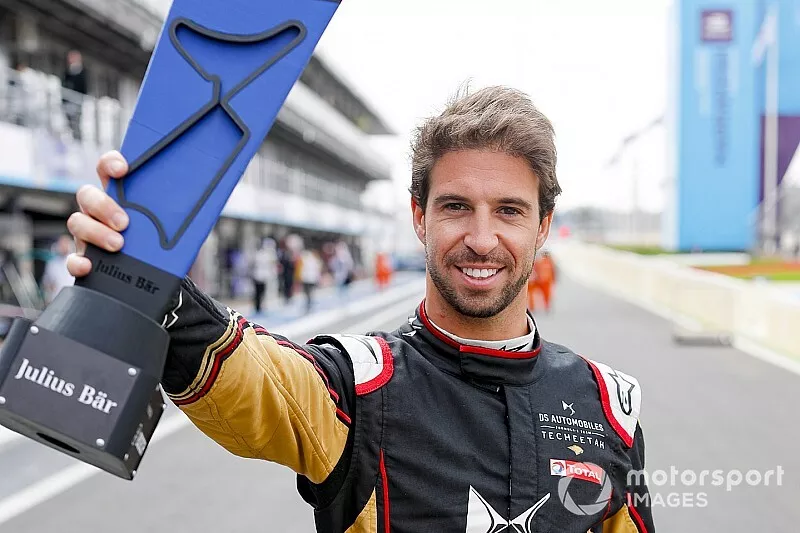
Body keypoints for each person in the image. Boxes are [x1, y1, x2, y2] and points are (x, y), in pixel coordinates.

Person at [65, 86, 654, 532]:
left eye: (508, 210)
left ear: (543, 226)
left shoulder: (609, 405)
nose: (480, 238)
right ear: (419, 217)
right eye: (455, 207)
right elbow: (251, 374)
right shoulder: (358, 384)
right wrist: (142, 265)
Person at [62, 50, 88, 140]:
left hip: (77, 101)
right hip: (68, 101)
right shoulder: (67, 72)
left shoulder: (82, 72)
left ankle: (77, 139)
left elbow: (84, 88)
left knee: (76, 122)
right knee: (68, 122)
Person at [41, 235, 75, 304]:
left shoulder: (74, 260)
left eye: (65, 243)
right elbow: (46, 281)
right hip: (56, 299)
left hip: (72, 299)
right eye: (61, 244)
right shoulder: (52, 263)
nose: (63, 246)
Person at [250, 237, 278, 314]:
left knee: (260, 293)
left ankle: (259, 306)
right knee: (259, 293)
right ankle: (258, 306)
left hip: (262, 276)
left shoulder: (262, 254)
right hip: (260, 276)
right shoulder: (264, 254)